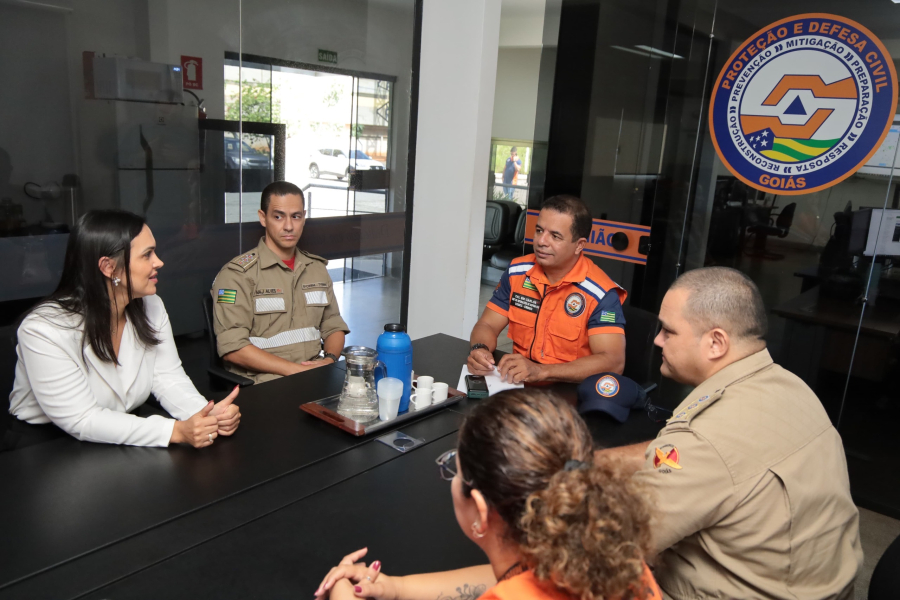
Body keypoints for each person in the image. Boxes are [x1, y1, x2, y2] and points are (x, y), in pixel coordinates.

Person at [603, 267, 862, 599]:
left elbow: (611, 541)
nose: (656, 340)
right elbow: (686, 453)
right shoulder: (789, 386)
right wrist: (594, 459)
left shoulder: (707, 442)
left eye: (668, 331)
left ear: (715, 342)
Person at [314, 389, 663, 600]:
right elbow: (521, 578)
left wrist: (343, 593)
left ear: (481, 508)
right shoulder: (620, 562)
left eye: (455, 468)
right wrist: (395, 588)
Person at [5, 210, 241, 450]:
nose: (159, 262)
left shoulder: (151, 306)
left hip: (124, 432)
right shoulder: (43, 329)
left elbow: (167, 377)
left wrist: (204, 415)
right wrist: (175, 431)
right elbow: (81, 418)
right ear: (108, 267)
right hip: (47, 446)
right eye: (147, 254)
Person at [468, 195, 626, 383]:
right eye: (539, 230)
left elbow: (613, 362)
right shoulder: (517, 272)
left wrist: (542, 371)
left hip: (569, 391)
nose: (541, 241)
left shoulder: (600, 292)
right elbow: (487, 325)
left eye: (555, 236)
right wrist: (480, 349)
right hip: (519, 385)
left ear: (579, 245)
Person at [211, 181, 349, 384]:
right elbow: (232, 348)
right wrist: (294, 371)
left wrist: (329, 360)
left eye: (296, 216)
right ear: (262, 218)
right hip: (264, 382)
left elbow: (333, 325)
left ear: (304, 218)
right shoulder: (237, 275)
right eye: (278, 216)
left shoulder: (316, 269)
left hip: (314, 374)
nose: (288, 226)